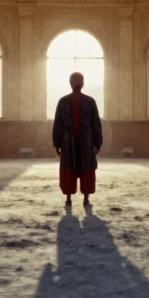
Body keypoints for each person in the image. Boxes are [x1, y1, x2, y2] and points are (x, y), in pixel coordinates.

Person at [52, 71, 103, 208]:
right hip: (68, 142)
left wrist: (97, 141)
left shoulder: (90, 102)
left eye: (79, 80)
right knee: (69, 171)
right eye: (74, 80)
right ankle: (68, 198)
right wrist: (56, 142)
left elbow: (95, 123)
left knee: (87, 170)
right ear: (70, 83)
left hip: (86, 142)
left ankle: (86, 198)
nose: (77, 83)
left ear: (83, 83)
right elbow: (58, 123)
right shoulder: (63, 102)